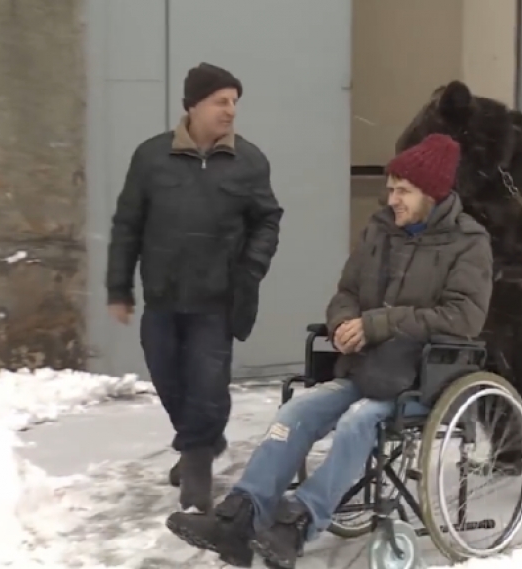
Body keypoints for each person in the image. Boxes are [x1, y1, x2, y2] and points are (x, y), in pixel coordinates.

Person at [164, 133, 493, 569]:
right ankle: (240, 519)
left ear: (432, 193)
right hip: (369, 368)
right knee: (294, 415)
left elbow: (464, 317)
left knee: (359, 423)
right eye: (390, 188)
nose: (391, 198)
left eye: (403, 190)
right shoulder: (380, 230)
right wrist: (343, 324)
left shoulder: (469, 242)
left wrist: (378, 323)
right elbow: (347, 293)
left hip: (424, 378)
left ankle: (298, 523)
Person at [105, 62, 284, 513]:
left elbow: (267, 218)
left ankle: (198, 463)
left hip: (218, 296)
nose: (230, 111)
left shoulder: (249, 161)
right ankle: (197, 443)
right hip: (163, 294)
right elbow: (128, 224)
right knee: (169, 378)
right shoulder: (150, 157)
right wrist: (119, 287)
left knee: (207, 383)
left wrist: (251, 268)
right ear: (193, 105)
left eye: (234, 103)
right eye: (221, 102)